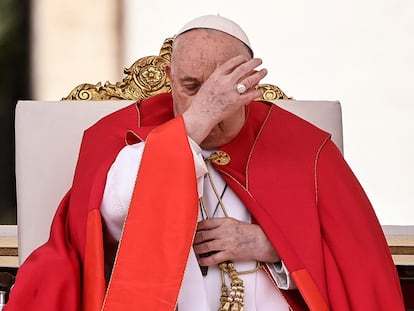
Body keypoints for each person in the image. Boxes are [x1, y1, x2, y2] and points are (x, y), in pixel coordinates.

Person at [5, 15, 405, 311]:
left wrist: (273, 246)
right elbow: (109, 223)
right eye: (191, 87)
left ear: (254, 85)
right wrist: (195, 123)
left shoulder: (304, 147)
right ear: (170, 76)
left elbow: (356, 266)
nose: (208, 102)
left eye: (226, 88)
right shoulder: (121, 135)